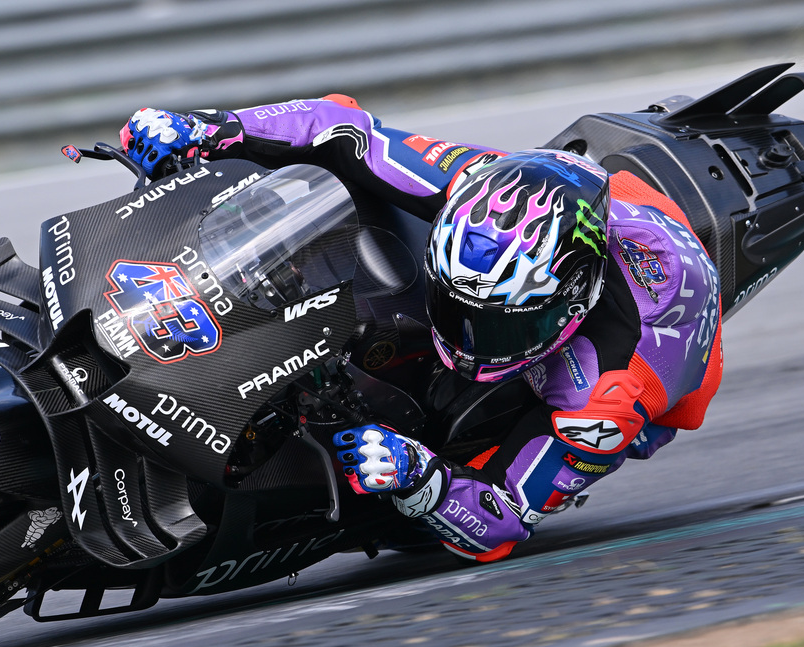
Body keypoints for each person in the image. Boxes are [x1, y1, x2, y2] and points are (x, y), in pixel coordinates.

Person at [119, 96, 723, 563]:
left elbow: (503, 522)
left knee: (424, 508)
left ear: (572, 299)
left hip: (656, 352)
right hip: (592, 209)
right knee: (362, 207)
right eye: (461, 311)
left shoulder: (612, 391)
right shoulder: (476, 185)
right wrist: (210, 127)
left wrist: (421, 478)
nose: (470, 340)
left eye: (501, 325)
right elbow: (342, 128)